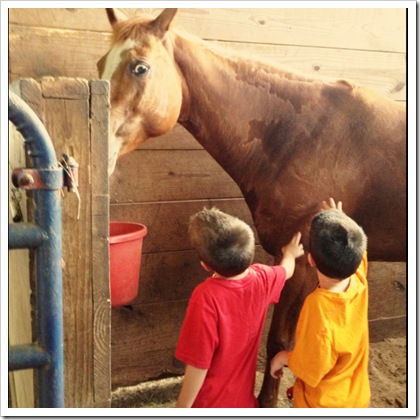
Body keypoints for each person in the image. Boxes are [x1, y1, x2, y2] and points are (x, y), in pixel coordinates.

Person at [175, 207, 304, 408]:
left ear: (205, 265)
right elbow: (286, 271)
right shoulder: (262, 277)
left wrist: (182, 409)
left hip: (210, 405)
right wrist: (291, 253)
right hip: (242, 403)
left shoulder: (206, 297)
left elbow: (198, 365)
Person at [270, 198, 370, 408]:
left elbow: (310, 365)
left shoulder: (318, 308)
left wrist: (282, 357)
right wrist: (341, 220)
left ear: (311, 260)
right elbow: (358, 254)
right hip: (356, 395)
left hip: (323, 404)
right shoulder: (359, 278)